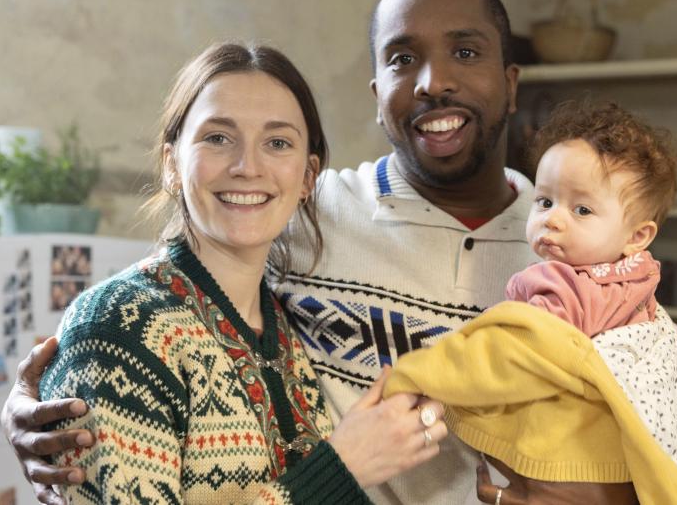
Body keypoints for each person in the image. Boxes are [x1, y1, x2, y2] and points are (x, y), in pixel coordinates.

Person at [0, 0, 605, 504]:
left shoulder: (581, 240)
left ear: (511, 81)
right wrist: (46, 401)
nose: (432, 82)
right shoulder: (318, 216)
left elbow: (656, 416)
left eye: (466, 52)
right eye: (400, 58)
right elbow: (157, 301)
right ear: (376, 97)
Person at [28, 41, 449, 503]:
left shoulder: (288, 329)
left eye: (277, 143)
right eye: (217, 138)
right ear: (172, 164)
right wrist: (341, 468)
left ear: (308, 178)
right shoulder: (115, 326)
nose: (247, 167)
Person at [383, 102, 677, 504]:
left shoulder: (568, 285)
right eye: (545, 200)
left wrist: (416, 375)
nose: (553, 219)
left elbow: (512, 354)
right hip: (615, 471)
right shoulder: (634, 278)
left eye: (582, 209)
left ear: (637, 236)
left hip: (564, 467)